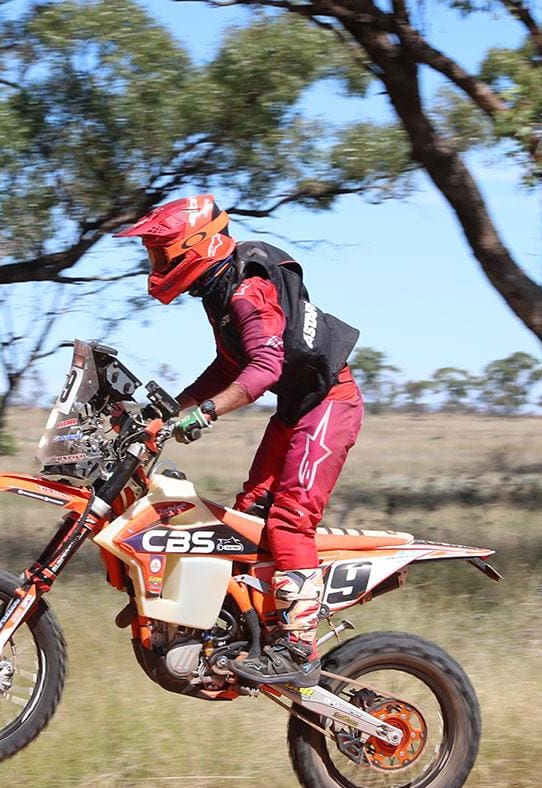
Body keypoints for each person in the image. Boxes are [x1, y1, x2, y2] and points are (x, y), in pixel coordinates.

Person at [116, 194, 363, 688]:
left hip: (328, 404)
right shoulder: (220, 290)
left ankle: (298, 647)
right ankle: (243, 627)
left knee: (289, 520)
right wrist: (168, 410)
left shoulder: (247, 291)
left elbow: (264, 368)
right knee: (247, 515)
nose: (156, 264)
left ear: (196, 246)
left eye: (162, 253)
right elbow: (230, 365)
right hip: (297, 407)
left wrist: (204, 413)